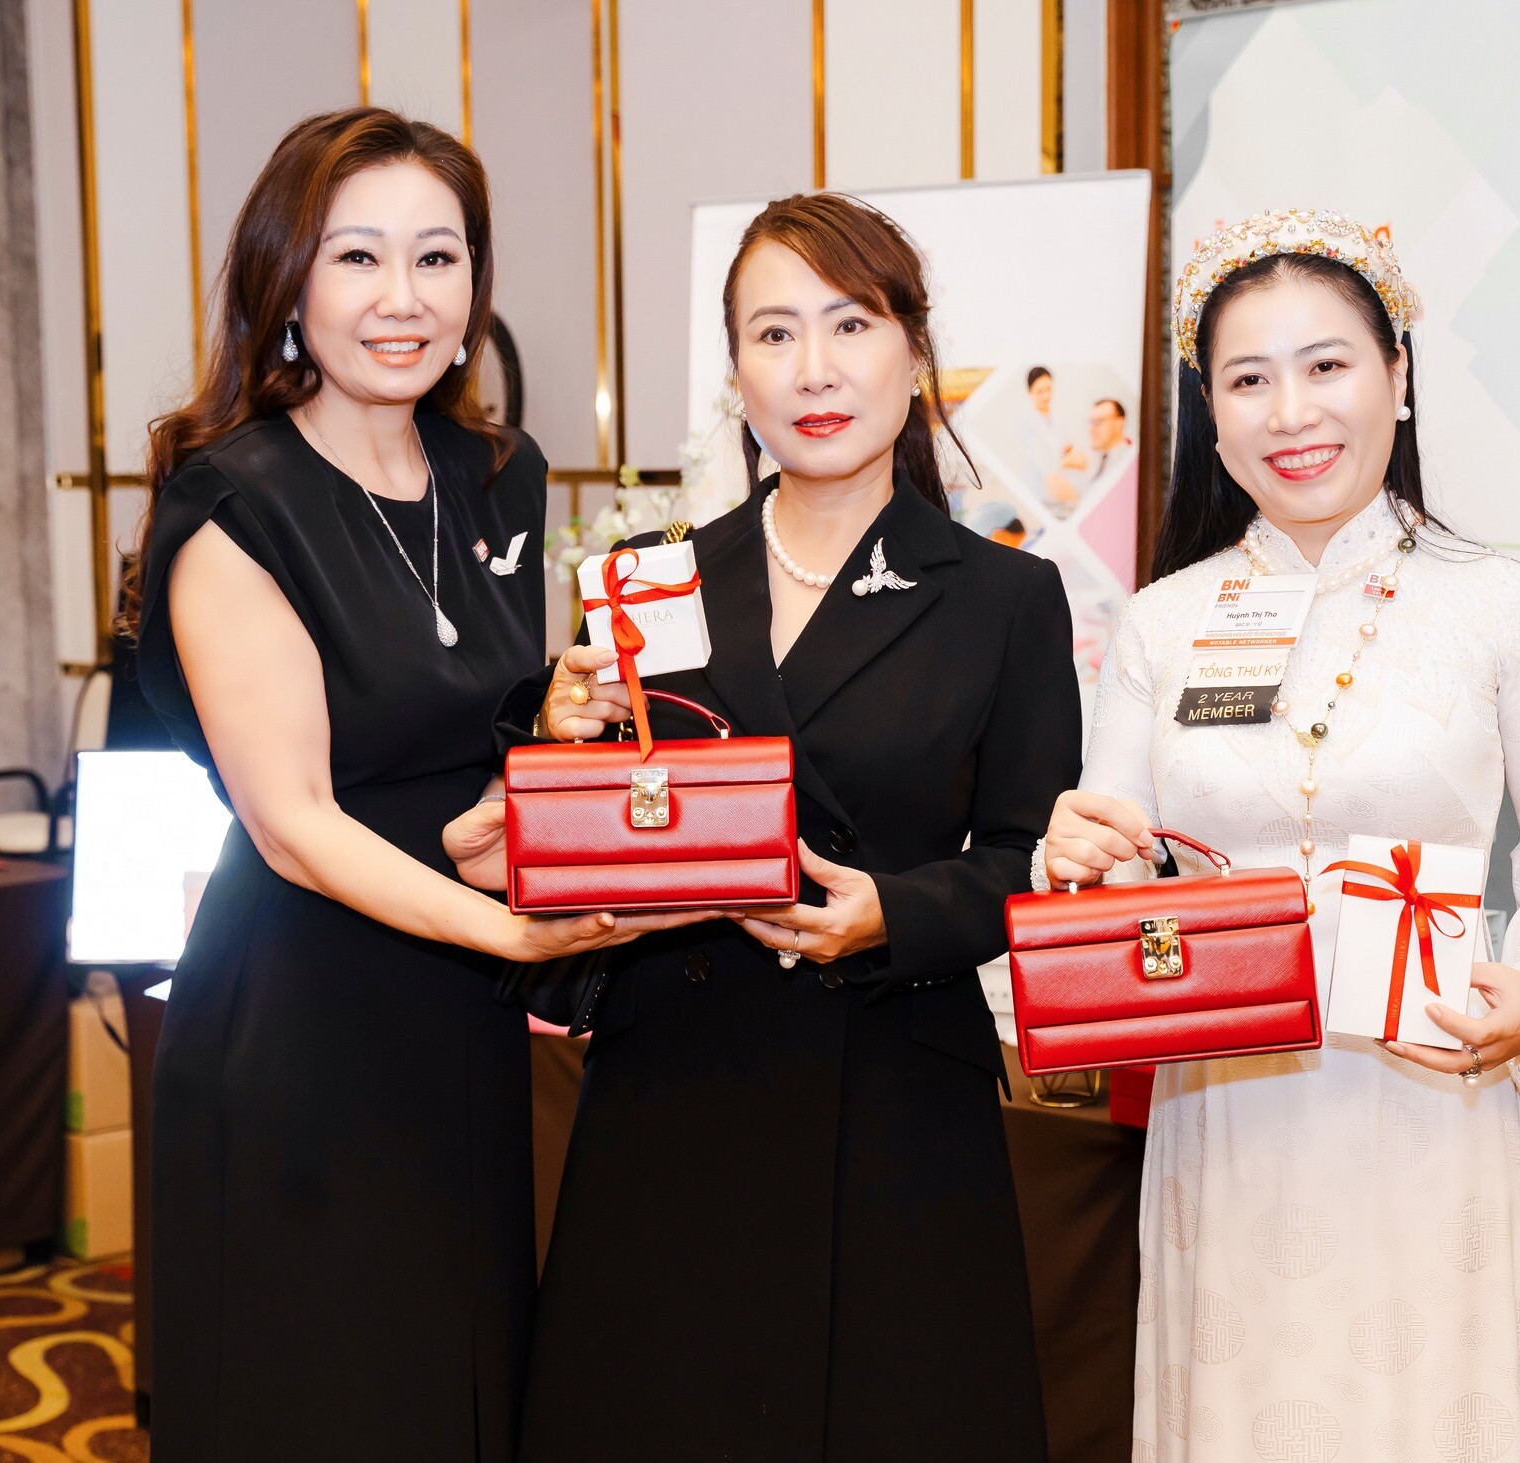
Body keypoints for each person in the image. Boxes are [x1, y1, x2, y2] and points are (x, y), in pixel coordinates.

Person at [126, 108, 694, 1462]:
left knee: (462, 1373)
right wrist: (510, 931)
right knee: (327, 1387)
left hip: (456, 1011)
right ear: (286, 283)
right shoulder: (235, 500)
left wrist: (549, 726)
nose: (403, 298)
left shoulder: (497, 474)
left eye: (438, 257)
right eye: (357, 257)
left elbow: (448, 733)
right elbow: (295, 821)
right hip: (305, 1009)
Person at [1039, 209, 1520, 1462]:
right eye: (1247, 380)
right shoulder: (1161, 623)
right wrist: (1083, 857)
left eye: (1326, 364)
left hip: (1430, 1094)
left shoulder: (1500, 607)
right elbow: (1121, 868)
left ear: (1396, 375)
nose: (1291, 411)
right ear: (1211, 416)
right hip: (1226, 1115)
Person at [499, 192, 1081, 1461]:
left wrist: (893, 913)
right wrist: (559, 735)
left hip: (891, 1104)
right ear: (735, 373)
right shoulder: (647, 581)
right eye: (773, 333)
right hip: (671, 1097)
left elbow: (1026, 860)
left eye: (849, 323)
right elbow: (577, 849)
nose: (813, 368)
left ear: (913, 353)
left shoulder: (1003, 599)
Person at [1022, 363, 1087, 513]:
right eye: (1040, 392)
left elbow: (1066, 449)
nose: (1046, 396)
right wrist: (1066, 461)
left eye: (1049, 389)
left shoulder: (1058, 417)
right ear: (1030, 392)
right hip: (1041, 494)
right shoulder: (1026, 422)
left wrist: (1067, 454)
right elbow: (1043, 465)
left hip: (1061, 490)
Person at [1087, 396, 1134, 484]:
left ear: (1119, 423)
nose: (1091, 430)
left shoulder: (1132, 461)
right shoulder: (1095, 462)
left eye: (1098, 422)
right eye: (1091, 422)